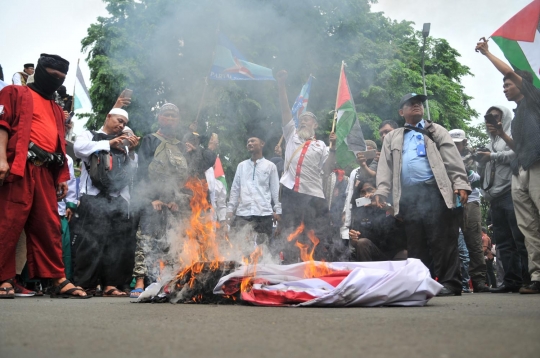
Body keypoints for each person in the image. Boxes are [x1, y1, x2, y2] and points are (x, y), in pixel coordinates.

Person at [0, 53, 88, 298]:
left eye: (60, 78)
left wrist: (62, 176)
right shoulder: (15, 93)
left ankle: (56, 278)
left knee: (48, 226)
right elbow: (2, 124)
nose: (55, 81)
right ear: (38, 71)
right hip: (19, 167)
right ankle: (3, 278)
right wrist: (1, 159)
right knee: (7, 222)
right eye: (51, 76)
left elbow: (60, 144)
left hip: (46, 173)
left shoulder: (57, 109)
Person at [374, 93, 471, 297]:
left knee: (442, 238)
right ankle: (421, 283)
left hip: (435, 191)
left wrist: (460, 183)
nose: (416, 105)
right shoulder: (393, 137)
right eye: (411, 103)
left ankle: (450, 283)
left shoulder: (436, 130)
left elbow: (452, 160)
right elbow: (385, 167)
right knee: (416, 242)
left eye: (419, 103)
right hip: (409, 195)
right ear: (402, 112)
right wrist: (382, 191)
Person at [476, 39, 540, 294]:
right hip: (520, 169)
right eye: (504, 85)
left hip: (536, 167)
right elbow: (518, 148)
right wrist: (502, 133)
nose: (505, 88)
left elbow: (508, 70)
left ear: (522, 84)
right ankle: (537, 276)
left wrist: (488, 52)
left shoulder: (534, 101)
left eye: (509, 83)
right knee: (528, 226)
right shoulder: (520, 113)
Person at [72, 107, 139, 297]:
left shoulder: (124, 144)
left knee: (117, 244)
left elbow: (131, 172)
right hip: (93, 197)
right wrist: (109, 143)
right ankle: (85, 284)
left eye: (124, 123)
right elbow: (78, 149)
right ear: (108, 116)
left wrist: (131, 152)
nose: (121, 125)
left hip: (119, 199)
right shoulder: (90, 135)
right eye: (118, 120)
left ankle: (112, 285)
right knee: (91, 241)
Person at [276, 70, 337, 262]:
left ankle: (317, 268)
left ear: (315, 125)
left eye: (307, 118)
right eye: (301, 118)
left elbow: (327, 171)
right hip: (291, 193)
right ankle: (291, 267)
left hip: (313, 195)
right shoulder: (291, 135)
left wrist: (333, 149)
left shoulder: (322, 146)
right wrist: (281, 85)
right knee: (291, 233)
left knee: (318, 235)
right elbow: (285, 110)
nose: (303, 119)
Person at [475, 105, 528, 292]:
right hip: (494, 198)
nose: (492, 121)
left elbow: (516, 153)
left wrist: (492, 156)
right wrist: (480, 162)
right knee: (504, 242)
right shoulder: (490, 143)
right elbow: (485, 170)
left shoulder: (510, 139)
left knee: (519, 238)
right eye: (488, 117)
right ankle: (511, 281)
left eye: (496, 117)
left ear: (504, 118)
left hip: (510, 193)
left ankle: (527, 280)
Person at [448, 129, 490, 293]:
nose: (455, 146)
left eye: (457, 143)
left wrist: (469, 175)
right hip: (450, 201)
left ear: (464, 143)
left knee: (473, 241)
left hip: (470, 201)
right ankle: (453, 281)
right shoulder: (443, 156)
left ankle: (479, 281)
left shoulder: (475, 157)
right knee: (449, 243)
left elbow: (481, 179)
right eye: (452, 143)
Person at [227, 134, 281, 246]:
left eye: (252, 141)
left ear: (262, 144)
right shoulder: (241, 166)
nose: (250, 144)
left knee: (264, 248)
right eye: (248, 142)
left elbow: (276, 190)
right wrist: (230, 208)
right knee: (239, 247)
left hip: (264, 213)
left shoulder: (270, 166)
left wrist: (278, 211)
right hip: (243, 213)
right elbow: (235, 189)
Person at [347, 180, 407, 262]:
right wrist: (354, 239)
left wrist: (383, 205)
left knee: (404, 253)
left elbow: (402, 219)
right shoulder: (360, 212)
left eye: (370, 190)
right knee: (362, 243)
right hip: (374, 253)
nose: (367, 195)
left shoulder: (389, 206)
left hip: (394, 253)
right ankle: (366, 274)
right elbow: (356, 241)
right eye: (363, 192)